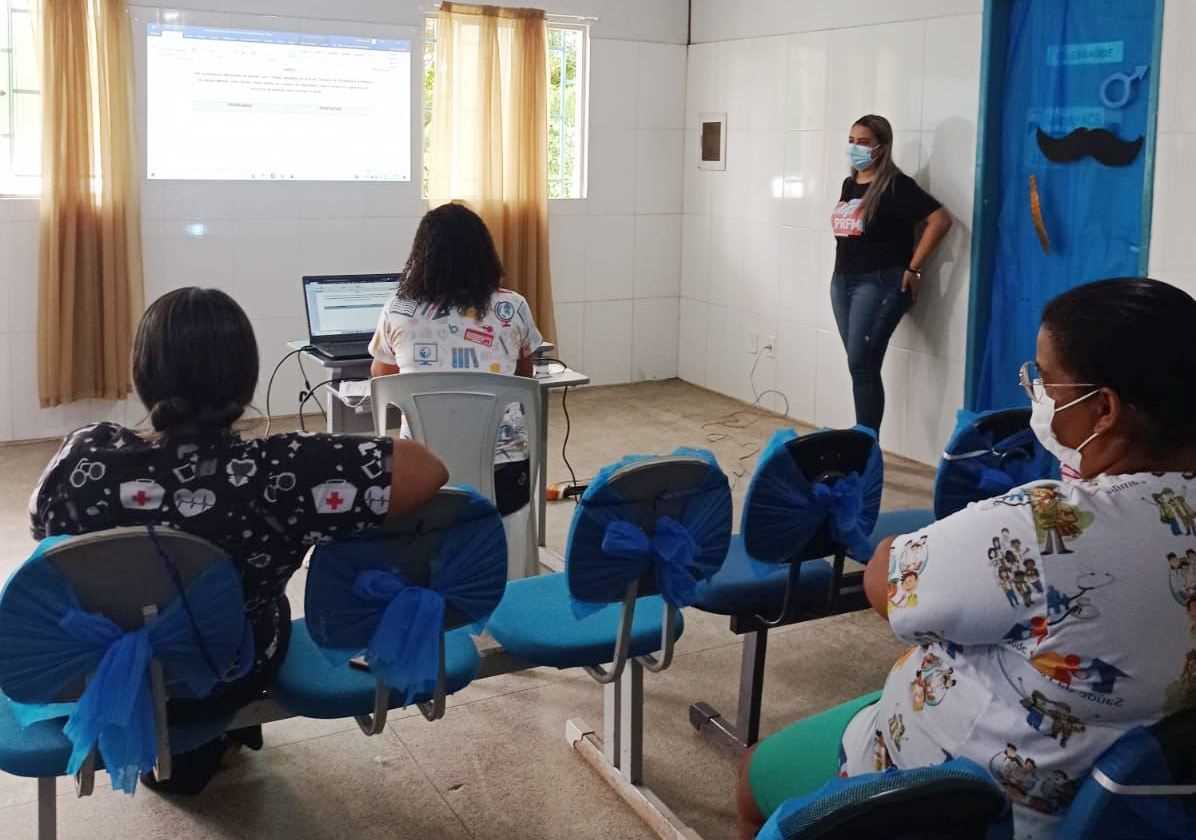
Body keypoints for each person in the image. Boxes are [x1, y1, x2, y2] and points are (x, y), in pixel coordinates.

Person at [738, 279, 1196, 839]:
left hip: (965, 803)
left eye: (1048, 382)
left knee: (751, 780)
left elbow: (888, 584)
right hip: (1117, 806)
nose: (1038, 398)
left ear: (1103, 410)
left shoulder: (1046, 524)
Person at [29, 287, 448, 793]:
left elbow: (44, 536)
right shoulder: (282, 470)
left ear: (143, 375)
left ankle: (183, 745)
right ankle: (219, 737)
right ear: (245, 379)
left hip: (107, 667)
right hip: (234, 665)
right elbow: (428, 469)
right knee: (236, 612)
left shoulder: (86, 461)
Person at [369, 202, 544, 517]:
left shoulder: (397, 309)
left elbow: (383, 381)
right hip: (503, 477)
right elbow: (524, 380)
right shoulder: (513, 307)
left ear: (420, 256)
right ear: (484, 254)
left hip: (420, 476)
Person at [830, 114, 953, 431]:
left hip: (880, 281)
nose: (855, 148)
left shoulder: (896, 185)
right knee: (860, 366)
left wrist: (914, 267)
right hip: (843, 280)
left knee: (862, 364)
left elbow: (940, 221)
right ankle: (864, 441)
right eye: (851, 141)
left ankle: (866, 444)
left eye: (864, 142)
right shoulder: (850, 184)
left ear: (881, 148)